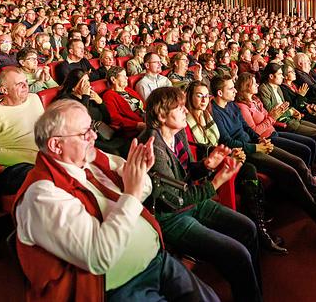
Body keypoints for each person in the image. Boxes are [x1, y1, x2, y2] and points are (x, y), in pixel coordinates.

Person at [14, 100, 219, 302]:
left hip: (156, 259)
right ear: (56, 145)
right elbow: (99, 256)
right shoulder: (41, 195)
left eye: (92, 128)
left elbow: (144, 187)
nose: (94, 136)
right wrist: (131, 193)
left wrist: (139, 171)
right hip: (119, 287)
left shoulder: (93, 159)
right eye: (84, 134)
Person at [138, 87, 262, 302]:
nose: (185, 111)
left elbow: (184, 174)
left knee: (248, 229)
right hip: (171, 217)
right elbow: (175, 199)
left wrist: (205, 166)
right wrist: (215, 182)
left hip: (193, 203)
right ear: (161, 115)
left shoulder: (177, 133)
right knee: (237, 255)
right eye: (179, 107)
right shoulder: (153, 147)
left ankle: (252, 292)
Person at [210, 75, 316, 238]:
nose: (234, 90)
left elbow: (246, 128)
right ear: (219, 93)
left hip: (258, 144)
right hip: (246, 153)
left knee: (298, 162)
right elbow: (228, 141)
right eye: (230, 88)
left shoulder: (231, 106)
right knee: (290, 172)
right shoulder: (215, 112)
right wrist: (255, 146)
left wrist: (259, 139)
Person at [185, 81, 287, 254]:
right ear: (190, 97)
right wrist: (228, 155)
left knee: (249, 171)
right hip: (204, 169)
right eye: (198, 95)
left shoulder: (207, 115)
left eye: (205, 96)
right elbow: (197, 153)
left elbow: (219, 143)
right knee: (249, 170)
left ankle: (257, 224)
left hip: (221, 158)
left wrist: (231, 153)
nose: (203, 100)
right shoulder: (186, 121)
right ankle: (259, 231)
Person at [0, 67, 44, 195]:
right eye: (19, 84)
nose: (26, 86)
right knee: (47, 181)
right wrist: (34, 158)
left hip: (44, 158)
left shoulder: (34, 98)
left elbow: (45, 130)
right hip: (16, 168)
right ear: (4, 90)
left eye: (26, 81)